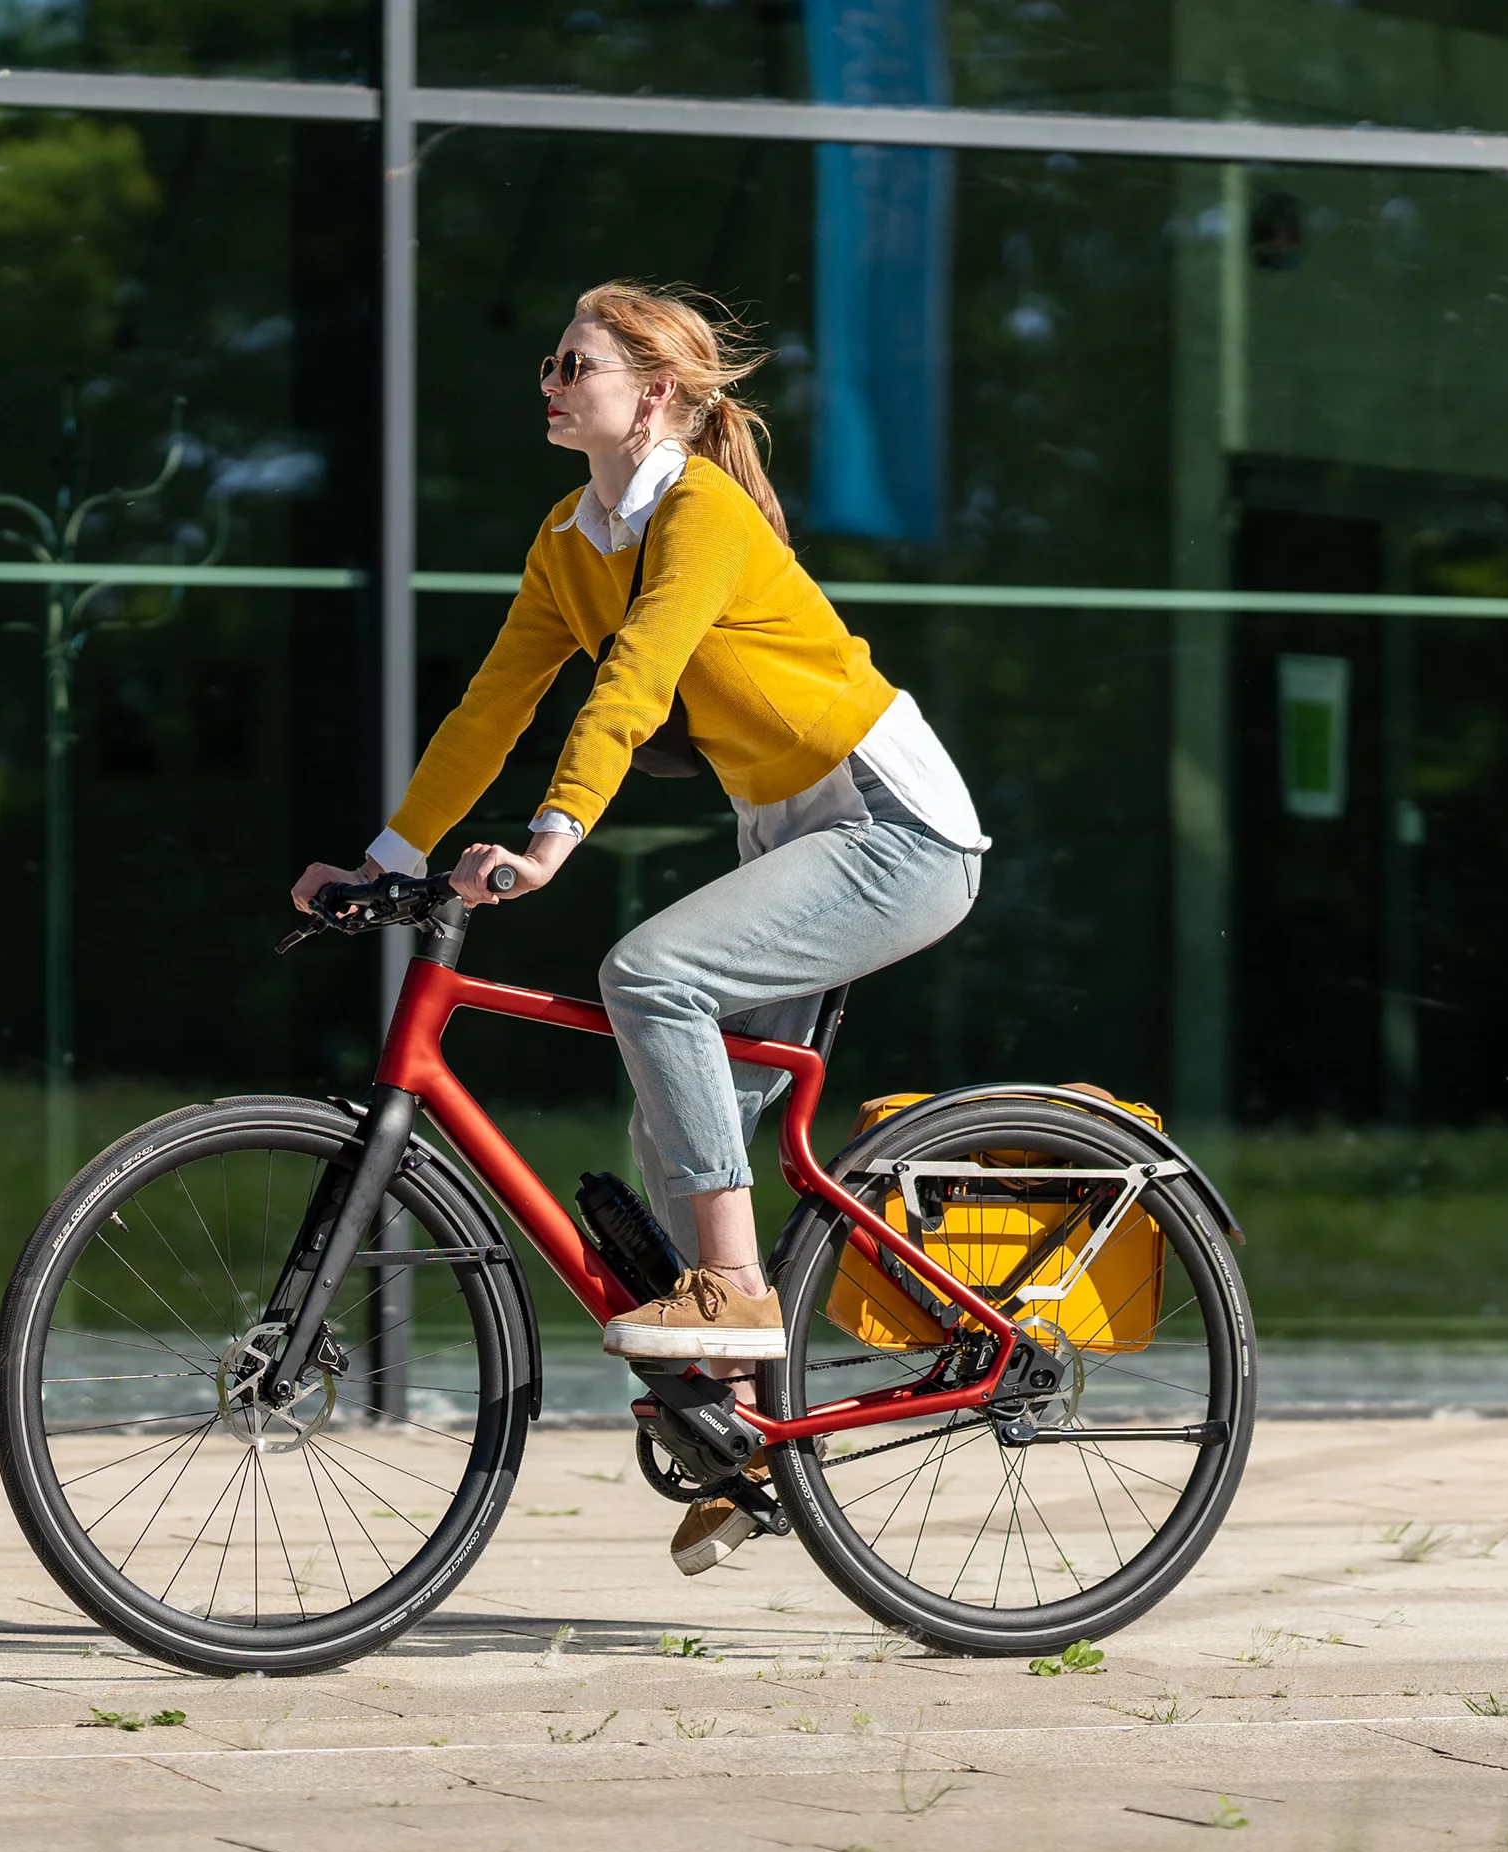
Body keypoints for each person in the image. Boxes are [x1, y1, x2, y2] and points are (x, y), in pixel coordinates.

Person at [292, 281, 990, 1576]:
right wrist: (388, 859)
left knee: (648, 976)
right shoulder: (572, 535)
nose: (549, 383)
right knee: (671, 1115)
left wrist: (554, 839)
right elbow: (492, 705)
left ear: (653, 395)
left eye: (575, 364)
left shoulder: (700, 512)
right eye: (551, 364)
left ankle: (732, 1290)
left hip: (895, 826)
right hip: (787, 830)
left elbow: (638, 678)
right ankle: (746, 1426)